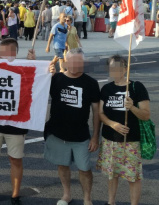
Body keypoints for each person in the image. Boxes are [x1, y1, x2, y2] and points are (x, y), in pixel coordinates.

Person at [0, 39, 36, 205]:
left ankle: (15, 196)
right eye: (1, 52)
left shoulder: (24, 69)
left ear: (14, 53)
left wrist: (34, 63)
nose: (3, 55)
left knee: (15, 160)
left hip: (16, 126)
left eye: (6, 52)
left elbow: (38, 82)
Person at [44, 48, 101, 205]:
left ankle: (87, 199)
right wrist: (40, 68)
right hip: (57, 133)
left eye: (79, 61)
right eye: (72, 61)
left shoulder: (91, 83)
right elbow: (33, 85)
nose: (75, 65)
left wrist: (95, 136)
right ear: (66, 62)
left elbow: (97, 112)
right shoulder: (55, 79)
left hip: (81, 135)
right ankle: (66, 194)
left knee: (85, 169)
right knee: (62, 166)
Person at [95, 55, 150, 205]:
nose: (115, 71)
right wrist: (112, 124)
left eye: (118, 68)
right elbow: (100, 113)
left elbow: (146, 115)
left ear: (125, 69)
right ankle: (110, 202)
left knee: (133, 177)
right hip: (110, 140)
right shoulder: (106, 89)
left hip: (130, 142)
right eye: (112, 68)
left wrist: (132, 107)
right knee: (112, 175)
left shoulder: (136, 87)